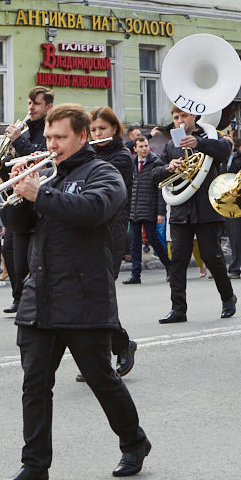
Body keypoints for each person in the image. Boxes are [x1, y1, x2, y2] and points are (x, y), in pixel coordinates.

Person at [0, 104, 150, 480]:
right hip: (40, 294)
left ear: (82, 136)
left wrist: (40, 194)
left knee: (101, 379)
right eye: (48, 137)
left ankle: (134, 442)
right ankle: (34, 466)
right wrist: (17, 193)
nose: (52, 145)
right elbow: (18, 228)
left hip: (83, 294)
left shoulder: (104, 172)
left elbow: (93, 211)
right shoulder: (43, 175)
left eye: (60, 137)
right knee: (34, 386)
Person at [153, 107, 236, 323]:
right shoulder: (171, 145)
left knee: (212, 256)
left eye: (183, 116)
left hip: (206, 208)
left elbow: (225, 149)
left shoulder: (210, 135)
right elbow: (155, 173)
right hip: (181, 209)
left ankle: (228, 298)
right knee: (178, 261)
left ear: (194, 117)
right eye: (176, 117)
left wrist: (199, 144)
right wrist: (168, 168)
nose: (180, 121)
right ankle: (178, 309)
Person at [85, 106, 137, 379]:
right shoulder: (90, 155)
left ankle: (110, 353)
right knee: (91, 297)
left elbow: (96, 184)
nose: (97, 134)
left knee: (101, 297)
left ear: (115, 129)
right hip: (89, 231)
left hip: (112, 232)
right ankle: (112, 351)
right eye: (93, 130)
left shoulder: (121, 158)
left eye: (102, 129)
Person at [0, 86, 54, 316]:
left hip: (37, 201)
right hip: (18, 200)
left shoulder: (49, 130)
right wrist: (4, 159)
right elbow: (11, 170)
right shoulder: (26, 129)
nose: (31, 107)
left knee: (28, 257)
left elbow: (40, 159)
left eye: (36, 104)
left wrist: (19, 141)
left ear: (48, 107)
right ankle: (18, 296)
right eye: (29, 103)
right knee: (10, 250)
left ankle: (31, 299)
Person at [124, 136, 170, 283]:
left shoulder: (155, 162)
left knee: (153, 240)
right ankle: (135, 274)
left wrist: (160, 212)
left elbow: (160, 189)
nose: (144, 149)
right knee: (134, 243)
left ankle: (170, 267)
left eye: (146, 146)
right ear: (135, 149)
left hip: (150, 208)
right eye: (141, 146)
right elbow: (130, 187)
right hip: (134, 209)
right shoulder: (131, 163)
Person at [223, 140, 241, 279]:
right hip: (220, 201)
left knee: (235, 237)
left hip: (233, 203)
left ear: (233, 146)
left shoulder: (240, 160)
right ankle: (219, 268)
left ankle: (235, 268)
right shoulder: (219, 159)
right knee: (213, 236)